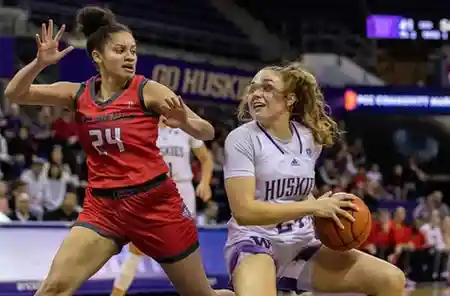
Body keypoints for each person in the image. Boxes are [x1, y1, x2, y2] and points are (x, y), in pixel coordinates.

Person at [4, 6, 233, 296]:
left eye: (133, 51)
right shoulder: (77, 94)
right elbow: (15, 93)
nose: (130, 57)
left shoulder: (149, 90)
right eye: (120, 50)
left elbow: (207, 131)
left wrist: (185, 121)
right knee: (53, 288)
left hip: (155, 205)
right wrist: (38, 64)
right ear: (97, 56)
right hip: (103, 208)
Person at [222, 62, 406, 296]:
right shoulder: (241, 139)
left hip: (302, 244)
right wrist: (314, 206)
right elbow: (244, 212)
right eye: (253, 88)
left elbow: (294, 192)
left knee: (391, 280)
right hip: (256, 242)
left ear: (289, 99)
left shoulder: (309, 138)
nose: (256, 93)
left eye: (267, 87)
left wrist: (329, 206)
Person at [111, 120, 214, 296]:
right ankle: (117, 293)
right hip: (153, 191)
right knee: (137, 247)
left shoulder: (184, 129)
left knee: (187, 248)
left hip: (182, 190)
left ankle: (200, 290)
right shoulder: (144, 129)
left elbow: (206, 159)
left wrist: (205, 183)